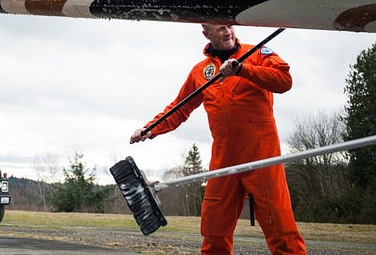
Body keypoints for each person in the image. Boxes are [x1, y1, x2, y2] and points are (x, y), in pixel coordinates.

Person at [130, 24, 306, 254]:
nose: (228, 32)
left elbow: (284, 81)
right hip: (224, 162)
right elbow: (179, 108)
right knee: (213, 232)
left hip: (263, 158)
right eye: (220, 28)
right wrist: (150, 129)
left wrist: (243, 70)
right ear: (207, 34)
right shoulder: (199, 72)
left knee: (282, 232)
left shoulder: (257, 53)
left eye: (229, 26)